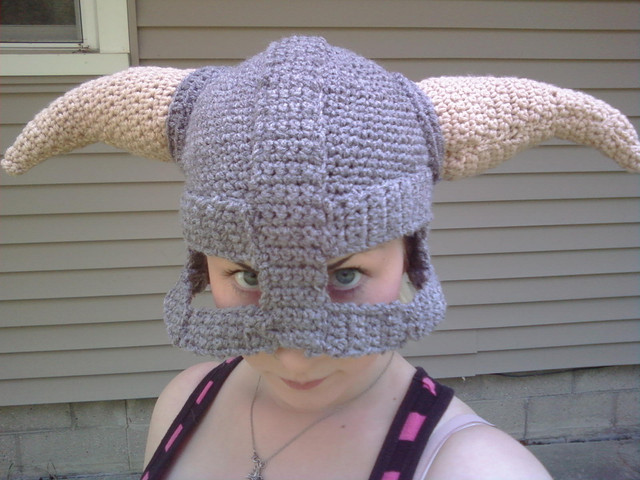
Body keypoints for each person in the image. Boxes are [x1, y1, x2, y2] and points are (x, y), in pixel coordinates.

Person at [3, 36, 639, 480]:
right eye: (247, 275)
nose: (296, 355)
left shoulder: (472, 470)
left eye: (346, 274)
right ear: (202, 263)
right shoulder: (184, 403)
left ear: (409, 254)